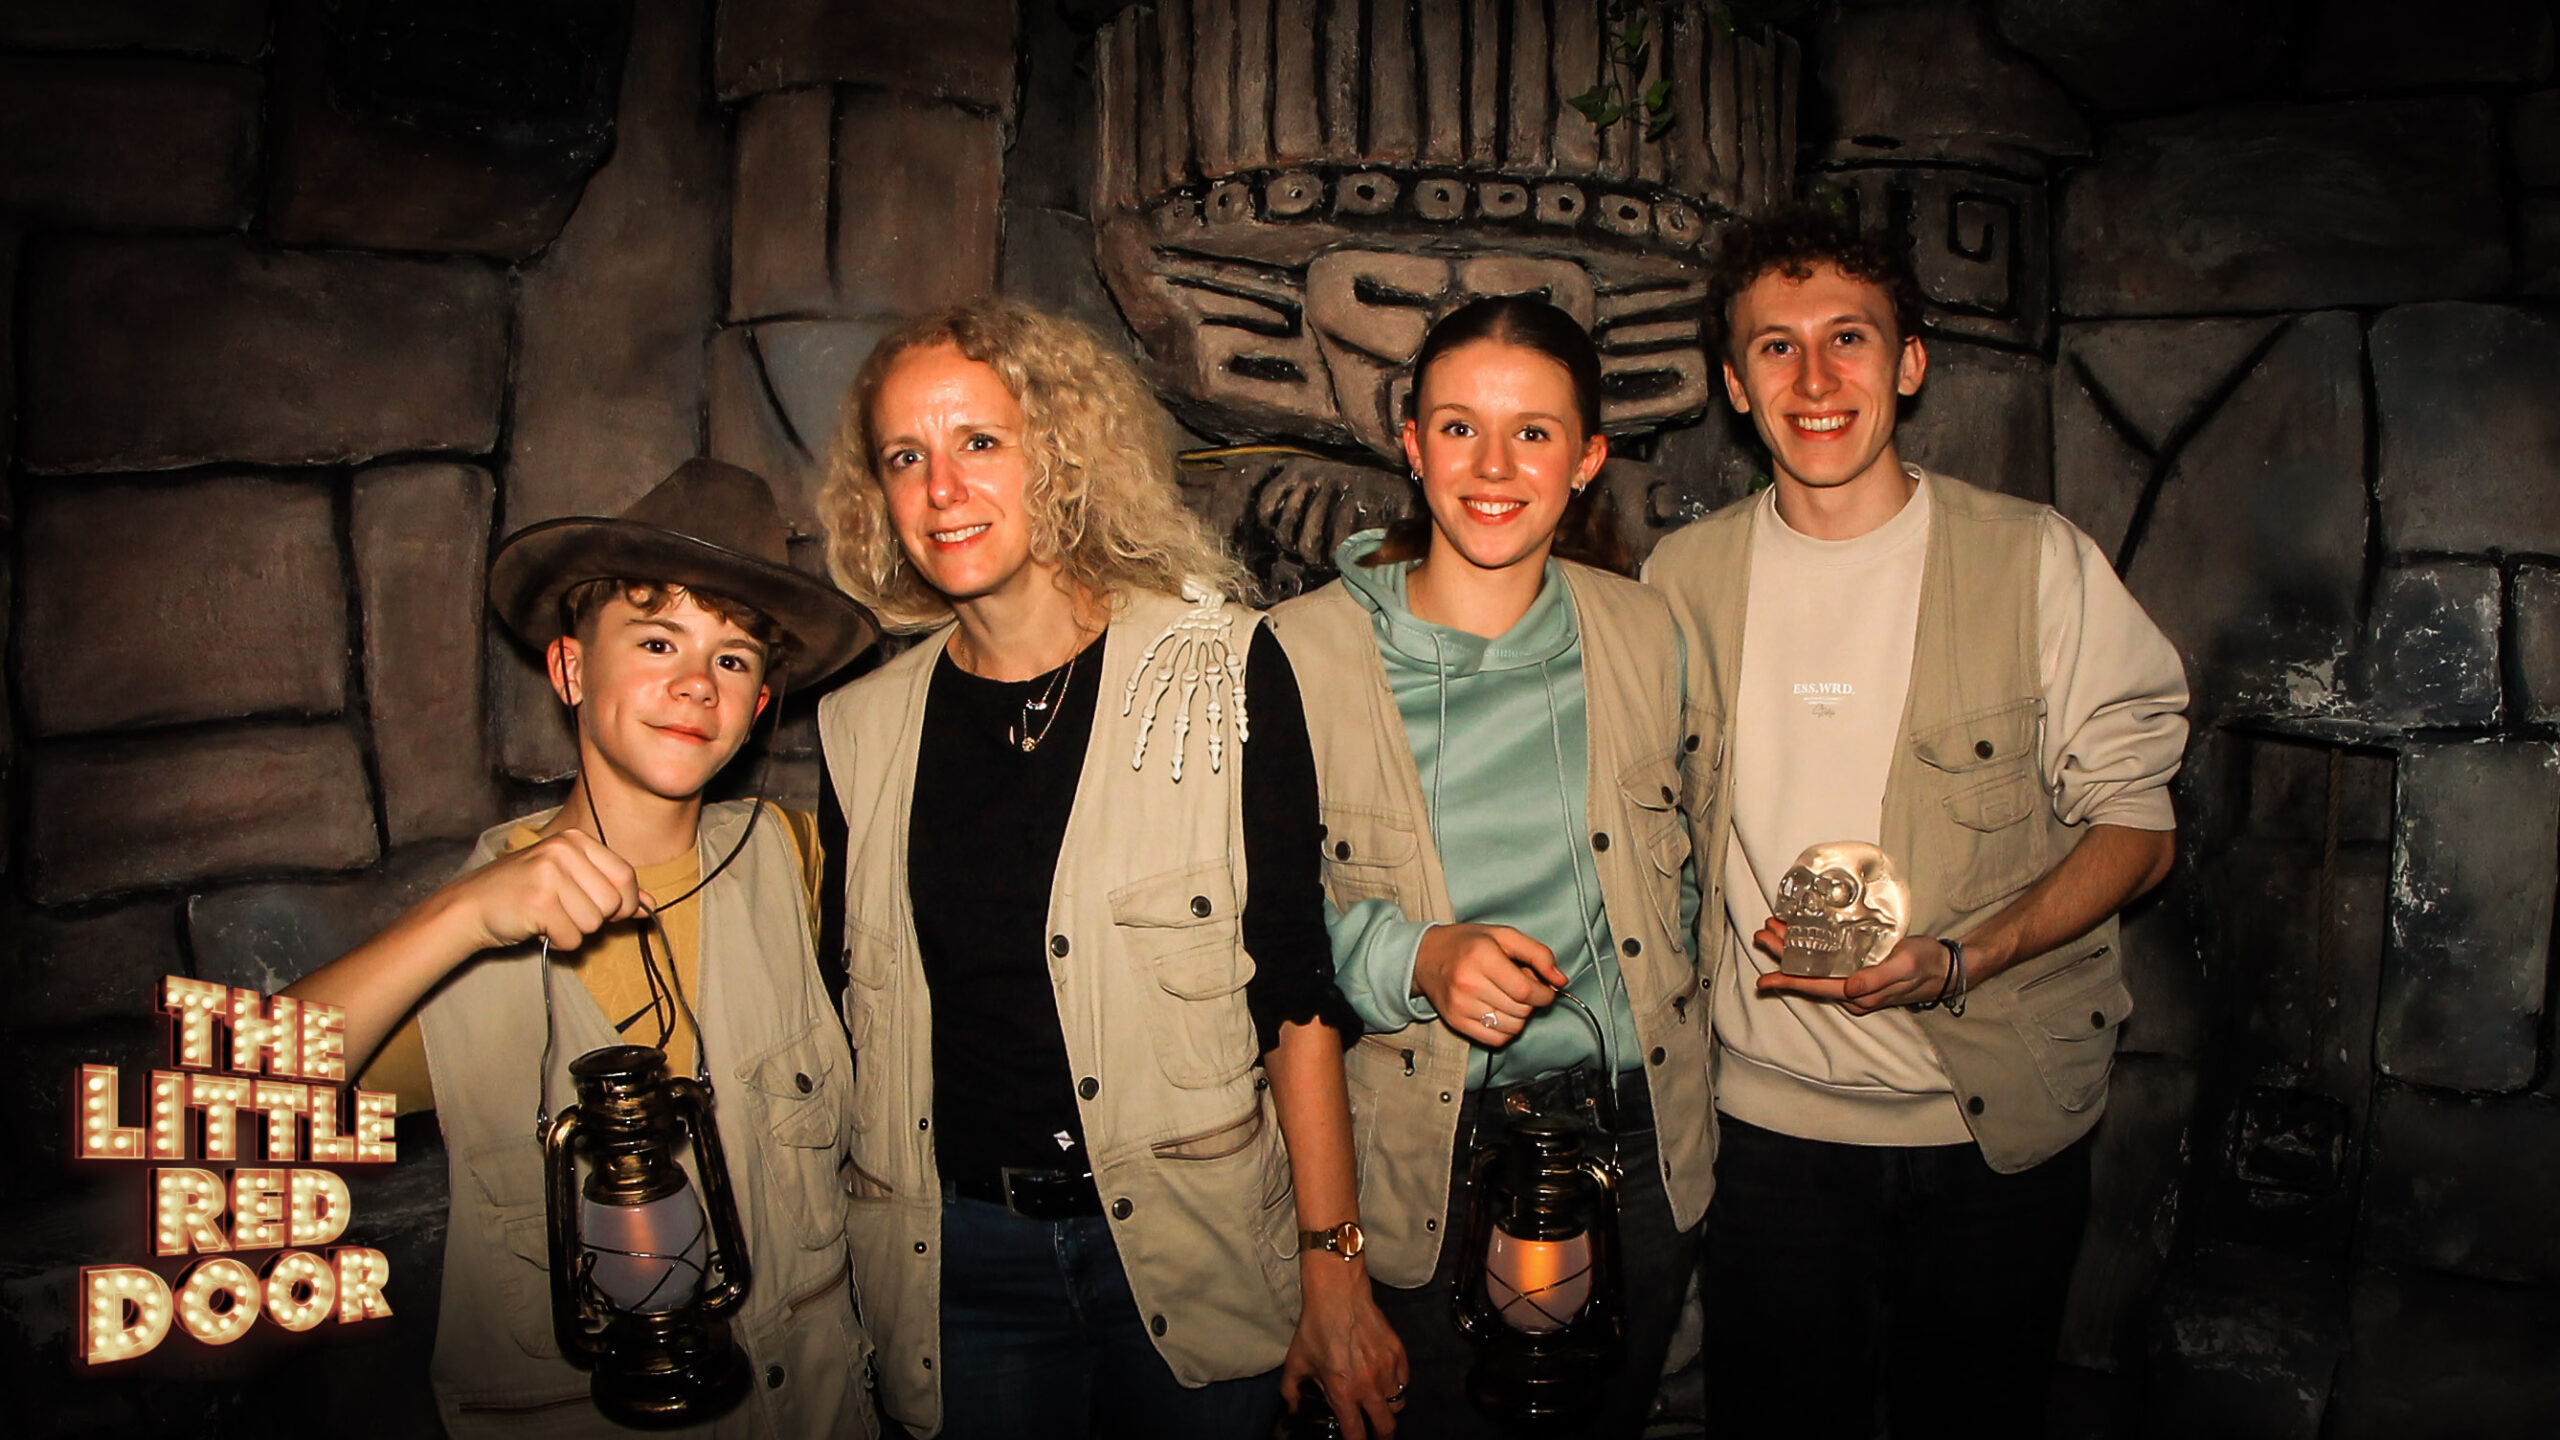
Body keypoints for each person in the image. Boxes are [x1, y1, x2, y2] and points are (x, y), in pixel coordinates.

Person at [811, 298, 1406, 1440]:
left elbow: (1293, 989)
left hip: (1193, 1250)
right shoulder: (859, 728)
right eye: (905, 457)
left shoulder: (1219, 667)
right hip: (960, 1268)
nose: (942, 488)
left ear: (1062, 452)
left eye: (980, 441)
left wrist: (1333, 1267)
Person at [1644, 209, 2192, 1438]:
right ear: (1733, 386)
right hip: (1765, 1131)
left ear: (1908, 363)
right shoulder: (1679, 581)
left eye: (1847, 338)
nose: (1814, 379)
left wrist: (1961, 959)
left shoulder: (2035, 561)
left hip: (1992, 1126)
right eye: (1775, 348)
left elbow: (2139, 829)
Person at [284, 459, 882, 1438]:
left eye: (734, 660)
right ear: (568, 669)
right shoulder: (472, 925)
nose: (696, 684)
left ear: (758, 709)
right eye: (657, 641)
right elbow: (226, 1098)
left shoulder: (796, 859)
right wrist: (458, 918)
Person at [1267, 297, 1715, 1439]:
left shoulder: (1649, 634)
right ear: (1412, 446)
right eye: (1460, 427)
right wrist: (1414, 956)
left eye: (1535, 432)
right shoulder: (1298, 654)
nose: (1495, 466)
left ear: (1587, 460)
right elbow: (1258, 926)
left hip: (1636, 1142)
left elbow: (1694, 882)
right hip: (1418, 1155)